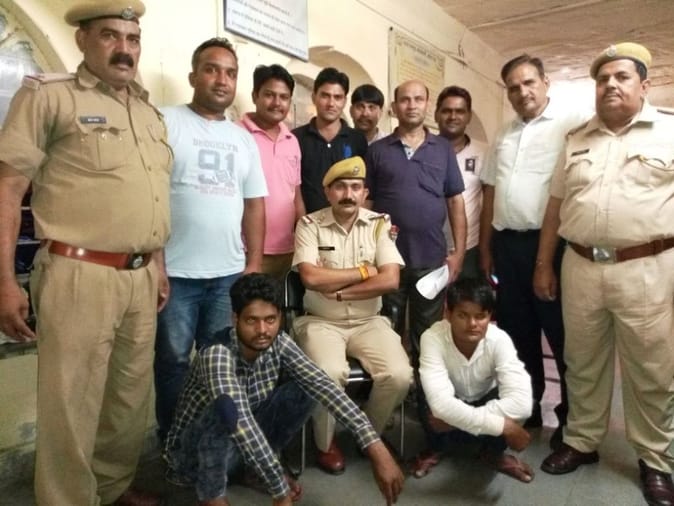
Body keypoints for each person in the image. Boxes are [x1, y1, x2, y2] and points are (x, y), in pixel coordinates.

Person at [0, 1, 171, 504]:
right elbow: (8, 190)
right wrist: (5, 281)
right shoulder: (49, 97)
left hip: (141, 276)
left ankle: (109, 488)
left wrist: (158, 266)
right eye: (110, 36)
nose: (124, 49)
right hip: (78, 272)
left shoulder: (148, 112)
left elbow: (152, 196)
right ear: (83, 39)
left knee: (128, 398)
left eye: (132, 39)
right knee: (70, 403)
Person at [535, 43, 674, 506]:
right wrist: (544, 264)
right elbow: (556, 206)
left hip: (647, 267)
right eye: (602, 79)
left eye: (621, 77)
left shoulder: (669, 132)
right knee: (582, 361)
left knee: (652, 368)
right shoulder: (577, 138)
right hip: (580, 266)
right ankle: (582, 440)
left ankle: (655, 459)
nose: (610, 85)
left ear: (644, 85)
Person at [164, 273, 405, 506]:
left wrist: (376, 447)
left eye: (270, 320)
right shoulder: (218, 354)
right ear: (235, 319)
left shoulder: (279, 342)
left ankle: (253, 470)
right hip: (193, 459)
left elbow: (324, 387)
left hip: (241, 448)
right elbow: (241, 424)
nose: (262, 330)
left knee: (308, 386)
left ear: (279, 317)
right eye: (251, 320)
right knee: (226, 409)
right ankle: (211, 494)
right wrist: (279, 489)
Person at [154, 38, 268, 441]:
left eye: (230, 73)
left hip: (227, 276)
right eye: (212, 69)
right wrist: (156, 263)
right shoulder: (164, 122)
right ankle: (174, 443)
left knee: (221, 363)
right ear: (193, 76)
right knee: (173, 362)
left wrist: (253, 265)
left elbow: (255, 205)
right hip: (175, 274)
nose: (222, 80)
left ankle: (214, 444)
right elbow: (149, 195)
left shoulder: (243, 139)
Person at [478, 54, 586, 445]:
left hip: (552, 246)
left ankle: (573, 422)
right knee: (517, 335)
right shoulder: (503, 135)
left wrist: (545, 262)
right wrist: (485, 248)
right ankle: (529, 408)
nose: (522, 92)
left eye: (528, 83)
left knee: (560, 335)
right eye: (513, 87)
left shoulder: (571, 126)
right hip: (507, 246)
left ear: (545, 82)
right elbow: (491, 192)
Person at [292, 156, 412, 474]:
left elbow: (390, 280)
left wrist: (340, 291)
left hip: (369, 321)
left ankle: (368, 435)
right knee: (328, 373)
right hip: (320, 322)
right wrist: (364, 271)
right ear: (327, 192)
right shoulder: (309, 225)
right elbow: (311, 278)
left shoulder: (379, 224)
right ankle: (324, 443)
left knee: (399, 375)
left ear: (365, 192)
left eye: (356, 187)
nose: (348, 194)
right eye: (341, 187)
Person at [412, 278, 534, 482]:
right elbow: (441, 405)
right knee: (428, 392)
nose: (472, 324)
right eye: (462, 315)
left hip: (476, 403)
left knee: (511, 399)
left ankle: (492, 453)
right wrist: (505, 426)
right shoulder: (432, 338)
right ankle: (437, 447)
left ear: (489, 316)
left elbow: (521, 405)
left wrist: (454, 421)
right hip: (453, 403)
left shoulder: (499, 339)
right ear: (448, 314)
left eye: (480, 316)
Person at [238, 64, 304, 280]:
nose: (277, 103)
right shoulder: (236, 135)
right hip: (244, 252)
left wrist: (304, 241)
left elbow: (295, 196)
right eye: (269, 95)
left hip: (287, 251)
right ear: (254, 96)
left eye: (284, 97)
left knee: (279, 303)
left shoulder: (292, 140)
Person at [293, 67, 368, 213]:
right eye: (325, 96)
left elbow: (361, 186)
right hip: (308, 222)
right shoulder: (297, 138)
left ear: (345, 101)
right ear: (314, 97)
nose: (331, 103)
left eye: (337, 97)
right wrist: (303, 222)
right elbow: (294, 188)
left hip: (346, 222)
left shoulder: (357, 140)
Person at [435, 85, 487, 279]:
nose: (453, 116)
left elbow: (489, 205)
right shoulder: (425, 150)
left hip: (470, 248)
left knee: (466, 297)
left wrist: (485, 248)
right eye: (446, 111)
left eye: (460, 111)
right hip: (431, 246)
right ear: (436, 115)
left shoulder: (484, 152)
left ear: (468, 116)